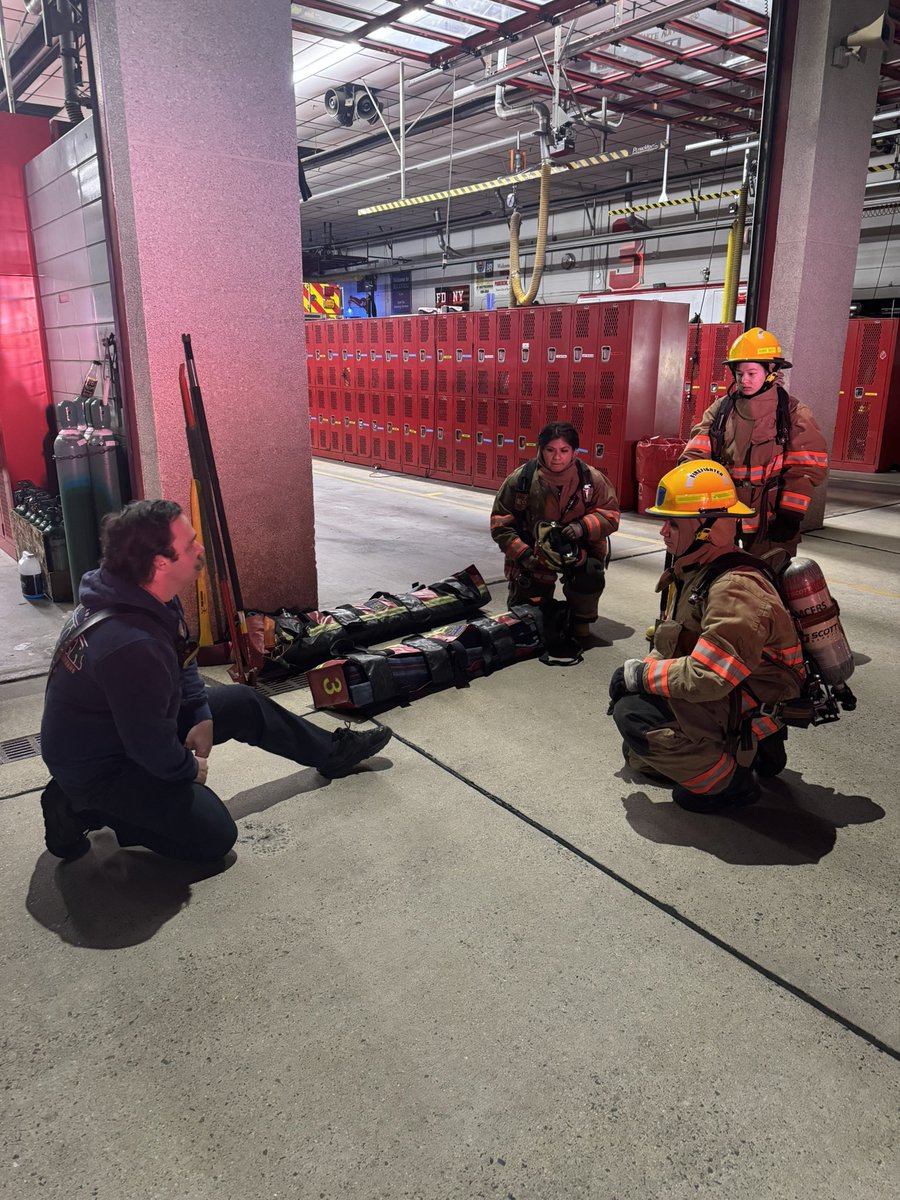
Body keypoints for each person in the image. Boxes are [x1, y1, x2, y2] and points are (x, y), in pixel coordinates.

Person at [39, 500, 392, 863]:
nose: (200, 548)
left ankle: (331, 753)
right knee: (213, 837)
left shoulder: (140, 592)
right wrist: (188, 768)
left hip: (115, 733)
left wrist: (199, 710)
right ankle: (78, 807)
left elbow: (183, 654)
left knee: (241, 701)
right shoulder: (130, 644)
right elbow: (148, 745)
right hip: (97, 767)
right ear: (161, 562)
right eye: (189, 544)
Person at [608, 460, 804, 814]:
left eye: (673, 523)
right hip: (742, 693)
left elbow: (708, 676)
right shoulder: (698, 572)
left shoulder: (734, 589)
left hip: (744, 699)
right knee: (638, 754)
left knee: (635, 716)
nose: (663, 532)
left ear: (708, 528)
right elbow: (674, 644)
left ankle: (727, 785)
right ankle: (754, 750)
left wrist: (637, 676)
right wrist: (641, 673)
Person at [680, 327, 828, 559]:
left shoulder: (793, 413)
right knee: (718, 578)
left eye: (751, 373)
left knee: (768, 581)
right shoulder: (720, 410)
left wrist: (790, 513)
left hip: (769, 520)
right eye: (739, 374)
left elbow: (806, 468)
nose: (744, 380)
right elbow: (694, 457)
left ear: (771, 371)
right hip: (722, 513)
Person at [490, 422, 620, 639]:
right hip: (533, 552)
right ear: (540, 450)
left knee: (590, 576)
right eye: (550, 450)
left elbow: (610, 515)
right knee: (527, 621)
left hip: (577, 553)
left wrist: (582, 527)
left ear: (574, 453)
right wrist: (524, 555)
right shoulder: (521, 480)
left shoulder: (592, 480)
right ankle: (537, 615)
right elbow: (500, 524)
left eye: (564, 451)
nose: (556, 457)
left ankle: (580, 619)